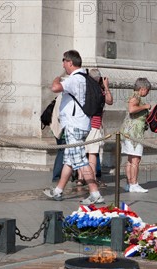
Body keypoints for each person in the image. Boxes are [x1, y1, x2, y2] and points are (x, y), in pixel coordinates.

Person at [43, 50, 103, 204]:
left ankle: (95, 193)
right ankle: (58, 191)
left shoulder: (74, 79)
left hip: (74, 126)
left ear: (70, 62)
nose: (63, 64)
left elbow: (55, 88)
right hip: (82, 124)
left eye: (64, 61)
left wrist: (57, 77)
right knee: (70, 160)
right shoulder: (85, 78)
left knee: (80, 160)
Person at [75, 69, 113, 187]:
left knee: (81, 152)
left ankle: (80, 178)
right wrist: (106, 86)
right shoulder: (99, 91)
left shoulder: (84, 89)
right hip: (95, 125)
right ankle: (92, 178)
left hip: (81, 124)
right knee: (92, 153)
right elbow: (110, 101)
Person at [121, 78, 152, 193]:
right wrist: (145, 107)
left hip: (128, 132)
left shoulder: (133, 96)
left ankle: (130, 184)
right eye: (147, 90)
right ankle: (134, 184)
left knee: (130, 159)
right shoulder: (136, 97)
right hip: (134, 134)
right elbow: (132, 109)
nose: (147, 93)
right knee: (136, 160)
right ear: (142, 89)